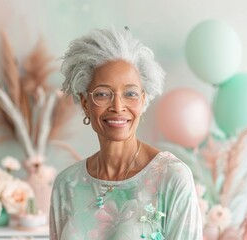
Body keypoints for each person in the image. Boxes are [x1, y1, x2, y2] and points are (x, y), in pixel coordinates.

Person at [50, 27, 202, 240]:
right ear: (85, 104)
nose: (118, 106)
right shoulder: (67, 184)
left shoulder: (172, 178)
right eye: (103, 94)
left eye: (130, 94)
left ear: (143, 99)